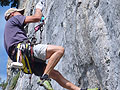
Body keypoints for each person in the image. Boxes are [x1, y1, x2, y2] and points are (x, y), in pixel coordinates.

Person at [4, 0, 100, 90]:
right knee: (59, 50)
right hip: (25, 51)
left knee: (56, 74)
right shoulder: (14, 19)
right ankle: (44, 78)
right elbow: (37, 17)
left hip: (25, 61)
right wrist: (38, 9)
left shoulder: (9, 32)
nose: (22, 14)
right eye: (19, 13)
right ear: (12, 14)